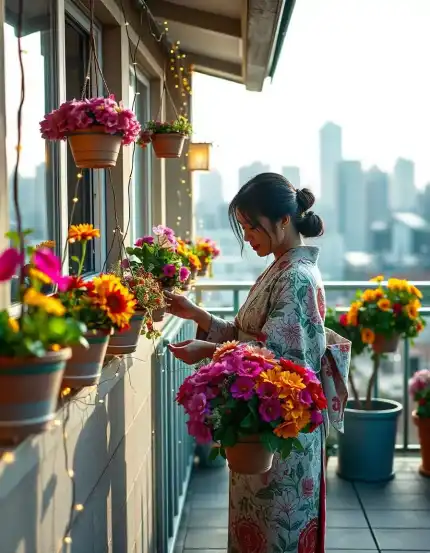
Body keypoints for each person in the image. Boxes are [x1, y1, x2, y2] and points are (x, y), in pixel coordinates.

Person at [166, 173, 351, 553]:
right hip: (268, 423)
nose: (247, 237)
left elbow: (280, 364)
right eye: (245, 227)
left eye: (251, 226)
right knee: (260, 532)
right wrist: (197, 313)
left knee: (276, 535)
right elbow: (252, 338)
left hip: (284, 428)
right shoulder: (282, 268)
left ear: (283, 221)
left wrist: (208, 351)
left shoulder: (295, 276)